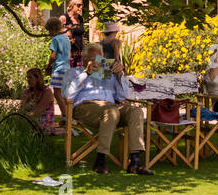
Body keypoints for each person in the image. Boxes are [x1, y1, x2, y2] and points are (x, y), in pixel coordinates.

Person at [61, 42, 151, 175]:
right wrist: (86, 73)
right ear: (85, 60)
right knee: (111, 112)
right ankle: (100, 161)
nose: (97, 62)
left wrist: (119, 75)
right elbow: (67, 94)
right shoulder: (74, 72)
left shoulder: (108, 73)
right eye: (93, 59)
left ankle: (135, 162)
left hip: (110, 107)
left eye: (99, 58)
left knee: (136, 111)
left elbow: (123, 95)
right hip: (86, 107)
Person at [22, 68, 57, 134]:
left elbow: (39, 110)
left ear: (37, 78)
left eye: (30, 77)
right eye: (27, 78)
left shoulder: (47, 91)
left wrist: (25, 118)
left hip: (44, 122)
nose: (28, 80)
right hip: (30, 119)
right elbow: (22, 109)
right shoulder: (26, 92)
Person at [46, 17, 70, 93]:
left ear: (52, 29)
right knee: (64, 93)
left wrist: (49, 65)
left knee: (56, 93)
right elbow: (70, 54)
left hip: (58, 69)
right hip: (67, 67)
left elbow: (53, 56)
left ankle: (63, 106)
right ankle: (66, 105)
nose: (49, 33)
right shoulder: (66, 38)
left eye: (49, 30)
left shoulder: (55, 39)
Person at [62, 0, 86, 68]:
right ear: (71, 5)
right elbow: (56, 36)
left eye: (82, 5)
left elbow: (81, 36)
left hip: (79, 52)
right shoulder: (64, 18)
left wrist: (84, 50)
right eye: (78, 5)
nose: (81, 7)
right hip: (68, 53)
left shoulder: (81, 19)